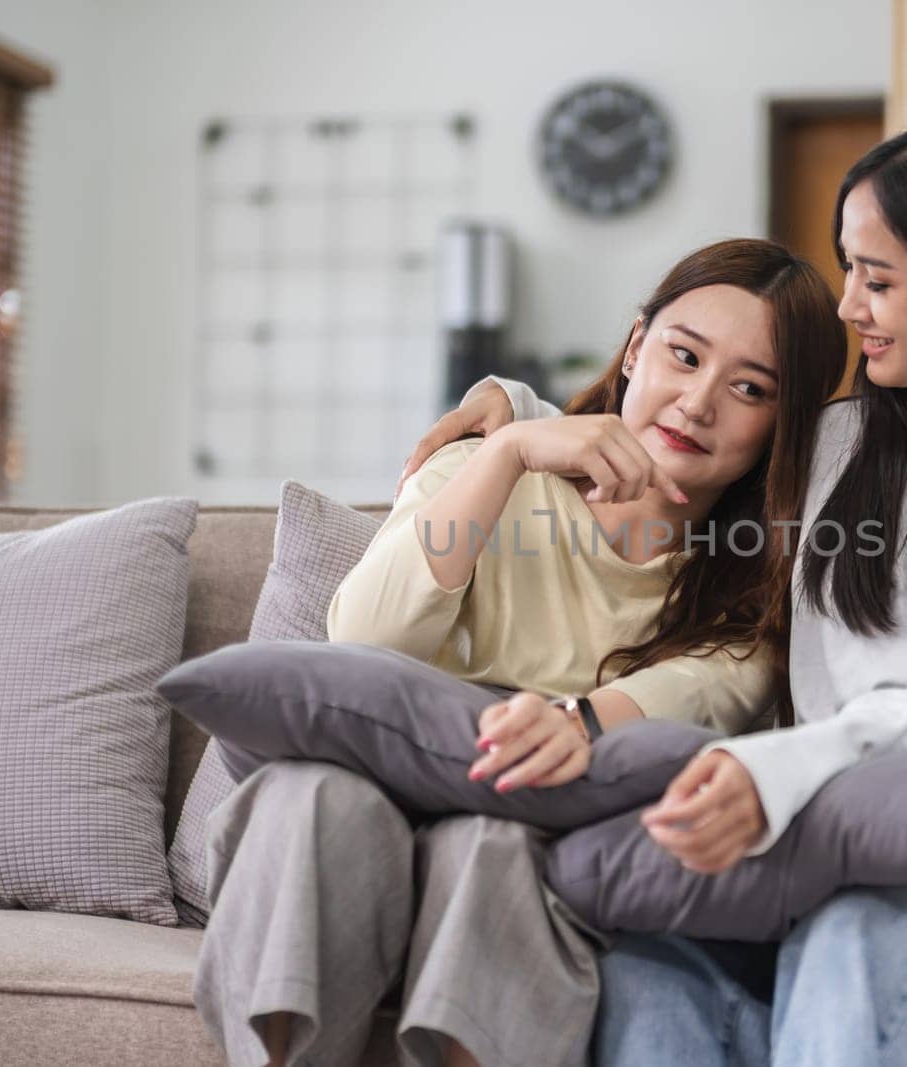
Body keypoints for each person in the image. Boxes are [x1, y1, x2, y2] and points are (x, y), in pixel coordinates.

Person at [422, 114, 907, 1066]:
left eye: (879, 279)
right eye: (847, 267)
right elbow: (682, 436)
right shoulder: (832, 452)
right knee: (647, 970)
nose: (849, 305)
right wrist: (516, 411)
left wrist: (774, 773)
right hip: (829, 859)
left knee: (858, 937)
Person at [190, 237, 845, 1067]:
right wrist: (509, 449)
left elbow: (676, 709)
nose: (697, 402)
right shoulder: (481, 471)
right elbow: (361, 645)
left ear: (782, 426)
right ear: (638, 346)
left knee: (492, 841)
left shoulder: (752, 607)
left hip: (519, 857)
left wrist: (574, 722)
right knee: (311, 795)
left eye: (749, 388)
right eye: (683, 356)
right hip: (351, 829)